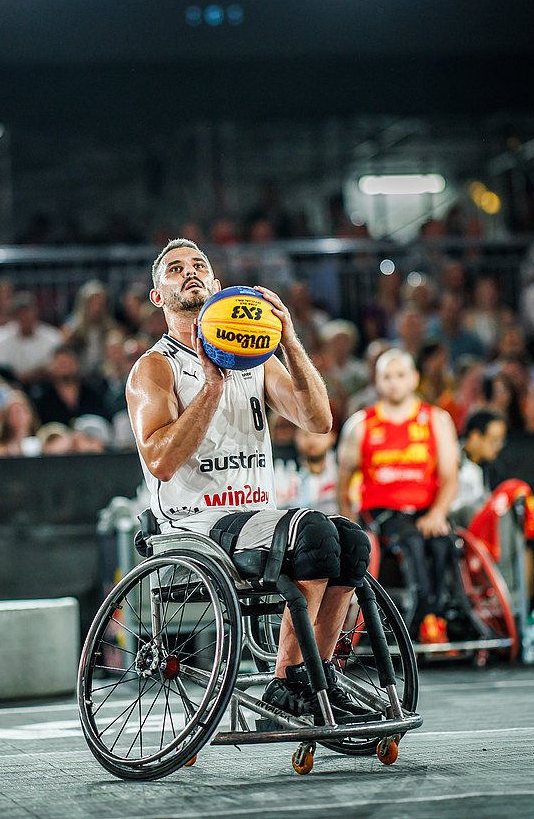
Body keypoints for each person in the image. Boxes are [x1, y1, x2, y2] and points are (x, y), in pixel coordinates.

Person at [127, 237, 374, 723]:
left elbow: (319, 419)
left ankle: (314, 677)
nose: (189, 272)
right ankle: (288, 684)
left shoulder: (258, 360)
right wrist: (212, 387)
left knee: (352, 541)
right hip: (195, 528)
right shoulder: (154, 368)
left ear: (218, 286)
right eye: (175, 269)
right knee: (316, 535)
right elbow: (159, 460)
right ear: (159, 296)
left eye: (199, 264)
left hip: (256, 520)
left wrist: (290, 341)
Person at [337, 349, 460, 645]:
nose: (394, 383)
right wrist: (350, 530)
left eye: (400, 376)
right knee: (412, 540)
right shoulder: (361, 424)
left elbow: (450, 476)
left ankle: (445, 615)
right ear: (377, 382)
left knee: (444, 541)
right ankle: (417, 619)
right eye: (387, 377)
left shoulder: (436, 420)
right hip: (381, 510)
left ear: (414, 379)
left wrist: (438, 514)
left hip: (426, 508)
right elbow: (343, 486)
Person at [450, 409, 534, 594]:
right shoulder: (451, 460)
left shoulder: (492, 468)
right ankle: (504, 592)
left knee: (523, 541)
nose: (498, 446)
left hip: (487, 532)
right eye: (493, 440)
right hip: (458, 530)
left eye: (501, 441)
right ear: (475, 437)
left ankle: (520, 606)